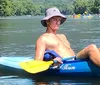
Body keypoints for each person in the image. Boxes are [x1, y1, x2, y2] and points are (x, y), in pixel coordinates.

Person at [34, 7, 100, 67]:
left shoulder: (62, 36)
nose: (58, 22)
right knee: (92, 47)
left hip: (75, 59)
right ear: (47, 21)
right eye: (54, 20)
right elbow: (37, 62)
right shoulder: (43, 39)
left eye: (59, 20)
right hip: (67, 63)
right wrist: (53, 61)